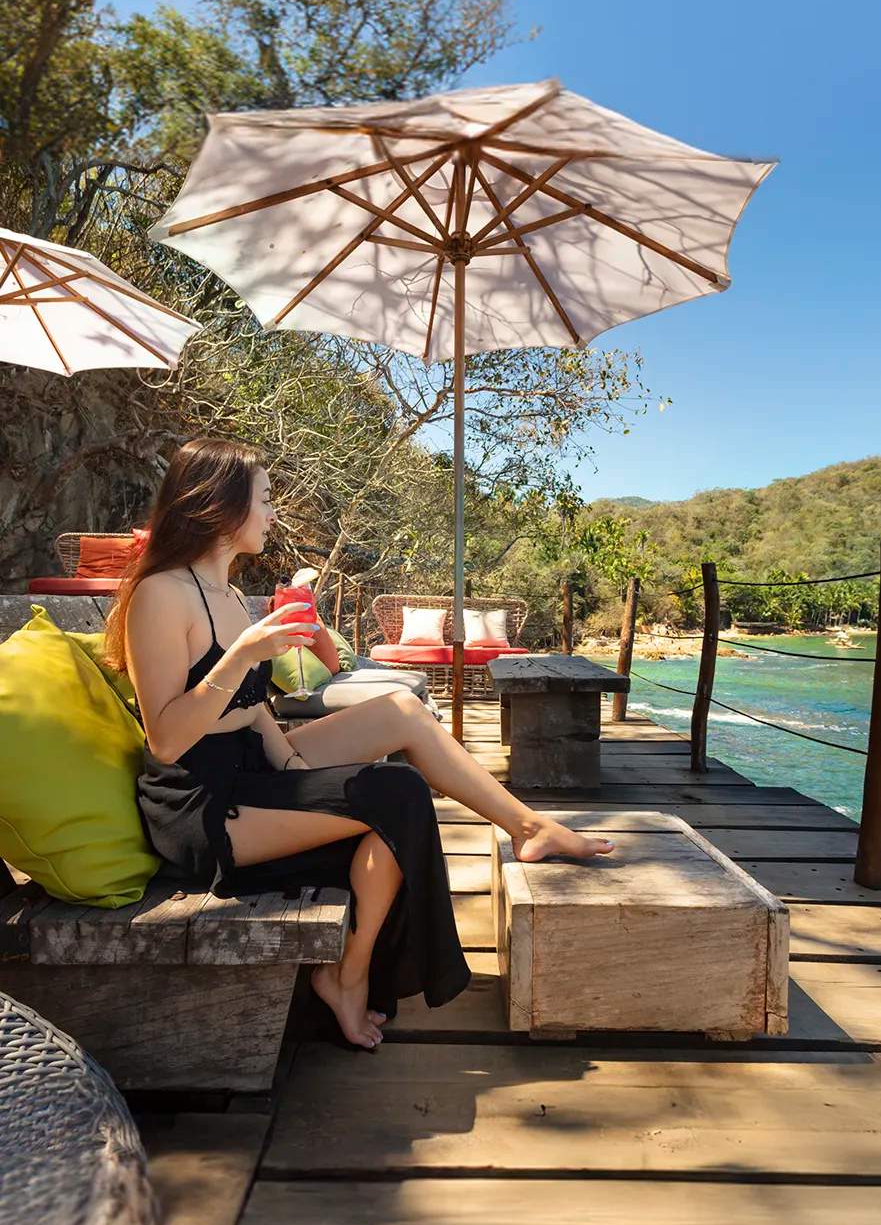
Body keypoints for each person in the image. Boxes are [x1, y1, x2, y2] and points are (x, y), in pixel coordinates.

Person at [105, 437, 614, 1050]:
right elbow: (165, 738)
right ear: (222, 504)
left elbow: (250, 706)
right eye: (265, 500)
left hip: (251, 768)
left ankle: (527, 826)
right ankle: (346, 975)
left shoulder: (233, 596)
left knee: (400, 710)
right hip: (201, 805)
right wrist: (244, 653)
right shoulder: (162, 594)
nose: (273, 514)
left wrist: (291, 757)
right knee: (395, 793)